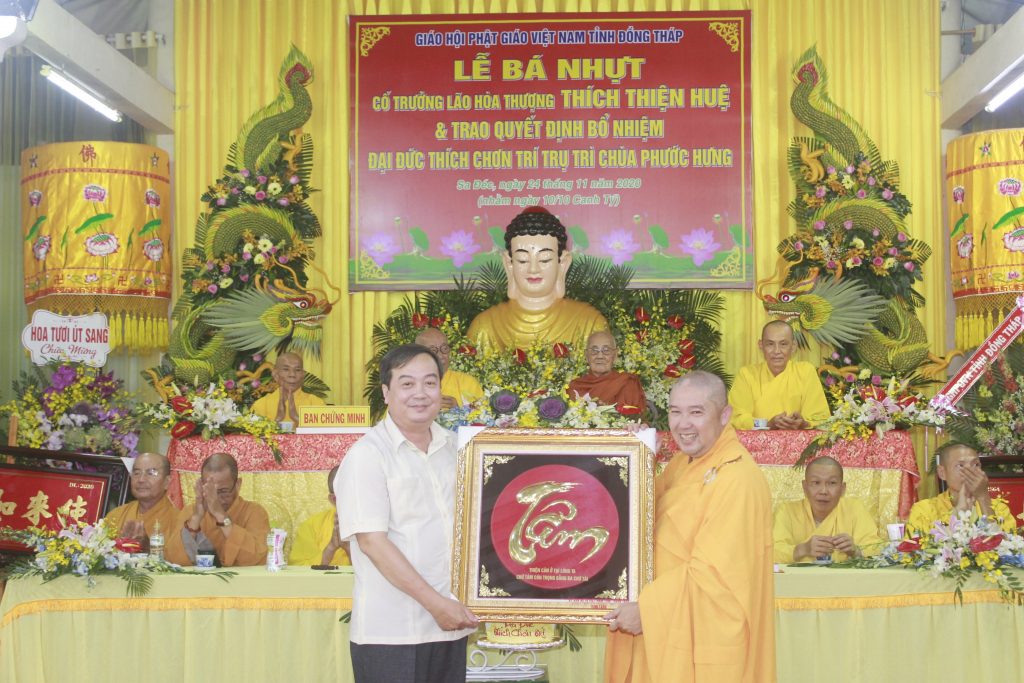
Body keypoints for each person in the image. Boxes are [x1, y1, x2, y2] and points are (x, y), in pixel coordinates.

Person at [603, 371, 775, 683]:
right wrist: (635, 459)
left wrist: (648, 611)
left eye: (696, 412)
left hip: (699, 640)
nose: (683, 424)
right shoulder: (683, 464)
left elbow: (714, 576)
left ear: (724, 415)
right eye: (675, 412)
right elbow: (640, 519)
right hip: (665, 631)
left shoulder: (737, 479)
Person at [336, 344, 478, 683]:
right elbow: (373, 543)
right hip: (393, 634)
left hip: (450, 627)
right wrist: (436, 605)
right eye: (407, 383)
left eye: (429, 383)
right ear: (386, 393)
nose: (420, 393)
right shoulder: (367, 455)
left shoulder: (457, 450)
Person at [466, 206, 608, 350]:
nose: (533, 269)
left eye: (545, 259)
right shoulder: (485, 327)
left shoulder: (588, 323)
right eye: (522, 260)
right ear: (509, 264)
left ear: (562, 263)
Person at [164, 452, 270, 567]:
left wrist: (221, 516)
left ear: (238, 485)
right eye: (210, 490)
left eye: (223, 491)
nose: (214, 499)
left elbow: (258, 558)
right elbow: (173, 559)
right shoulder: (190, 512)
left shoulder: (254, 512)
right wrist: (196, 518)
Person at [773, 456, 884, 563]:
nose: (823, 491)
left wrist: (856, 551)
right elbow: (771, 551)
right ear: (805, 487)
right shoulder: (787, 511)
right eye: (816, 483)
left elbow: (876, 549)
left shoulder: (854, 508)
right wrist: (803, 549)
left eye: (832, 483)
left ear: (842, 489)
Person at [728, 320, 830, 430]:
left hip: (798, 440)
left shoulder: (805, 371)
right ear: (761, 345)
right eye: (770, 344)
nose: (777, 351)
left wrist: (804, 424)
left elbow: (820, 418)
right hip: (757, 441)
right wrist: (767, 424)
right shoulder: (747, 374)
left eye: (783, 344)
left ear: (793, 346)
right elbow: (736, 418)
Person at [907, 443, 1017, 535]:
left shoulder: (1000, 509)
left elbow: (1009, 549)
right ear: (942, 472)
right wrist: (957, 513)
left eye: (976, 465)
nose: (970, 472)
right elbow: (920, 551)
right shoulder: (923, 510)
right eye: (960, 465)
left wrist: (983, 498)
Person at [104, 452, 179, 548]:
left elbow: (178, 556)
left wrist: (147, 547)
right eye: (136, 473)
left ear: (167, 482)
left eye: (151, 473)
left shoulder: (178, 521)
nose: (141, 479)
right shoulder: (115, 515)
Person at [568, 330, 646, 413]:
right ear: (586, 356)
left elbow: (636, 417)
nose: (600, 356)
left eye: (606, 350)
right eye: (594, 350)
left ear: (615, 355)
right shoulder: (575, 386)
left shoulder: (627, 383)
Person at [289, 465, 350, 566]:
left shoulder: (375, 526)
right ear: (333, 500)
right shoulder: (312, 526)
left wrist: (349, 550)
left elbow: (376, 570)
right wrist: (330, 548)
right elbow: (298, 569)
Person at [414, 327, 482, 409]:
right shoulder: (408, 384)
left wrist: (458, 408)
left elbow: (484, 413)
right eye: (433, 351)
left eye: (444, 349)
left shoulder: (467, 382)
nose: (440, 356)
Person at [250, 351, 325, 424]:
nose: (292, 374)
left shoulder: (315, 403)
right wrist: (278, 419)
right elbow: (253, 431)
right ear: (275, 375)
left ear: (303, 375)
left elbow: (325, 431)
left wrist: (296, 418)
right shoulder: (262, 404)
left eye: (297, 370)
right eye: (286, 369)